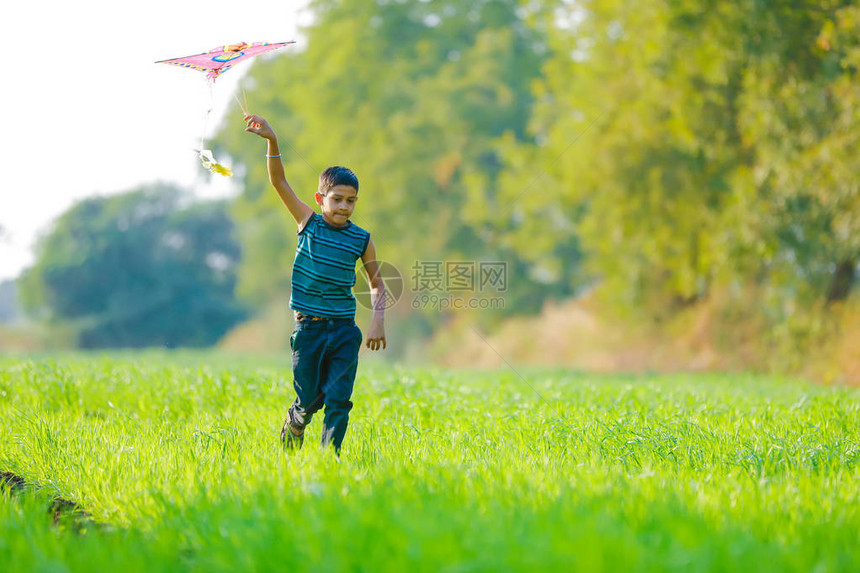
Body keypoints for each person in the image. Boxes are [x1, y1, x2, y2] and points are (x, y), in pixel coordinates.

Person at [244, 113, 387, 453]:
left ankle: (329, 458)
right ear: (321, 199)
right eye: (336, 198)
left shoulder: (361, 239)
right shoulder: (307, 222)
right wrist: (272, 141)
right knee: (309, 398)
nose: (344, 206)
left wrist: (378, 319)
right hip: (307, 330)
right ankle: (296, 419)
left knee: (339, 399)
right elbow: (279, 183)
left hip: (343, 330)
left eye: (351, 200)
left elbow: (377, 282)